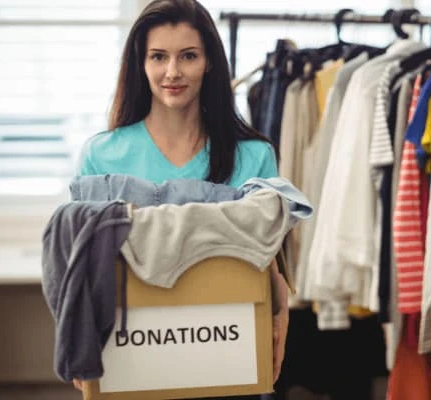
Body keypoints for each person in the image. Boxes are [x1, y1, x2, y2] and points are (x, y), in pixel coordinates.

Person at [71, 0, 289, 398]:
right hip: (131, 359)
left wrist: (279, 318)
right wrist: (76, 337)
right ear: (141, 63)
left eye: (188, 56)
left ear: (208, 63)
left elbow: (267, 259)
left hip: (225, 353)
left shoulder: (254, 155)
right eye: (159, 57)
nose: (172, 72)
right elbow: (82, 263)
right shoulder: (101, 155)